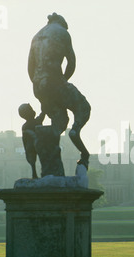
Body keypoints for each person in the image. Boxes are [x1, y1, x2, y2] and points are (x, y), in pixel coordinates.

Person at [27, 13, 91, 169]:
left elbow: (30, 67)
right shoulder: (63, 33)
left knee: (59, 121)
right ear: (62, 23)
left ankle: (48, 160)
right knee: (83, 108)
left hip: (38, 86)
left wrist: (39, 86)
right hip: (54, 81)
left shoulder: (36, 36)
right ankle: (75, 132)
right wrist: (63, 81)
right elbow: (71, 62)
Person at [18, 103, 45, 179]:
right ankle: (39, 172)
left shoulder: (25, 126)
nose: (33, 111)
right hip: (37, 145)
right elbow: (42, 114)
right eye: (31, 109)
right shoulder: (36, 122)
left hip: (30, 146)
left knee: (34, 160)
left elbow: (24, 140)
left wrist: (26, 148)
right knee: (41, 158)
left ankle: (35, 173)